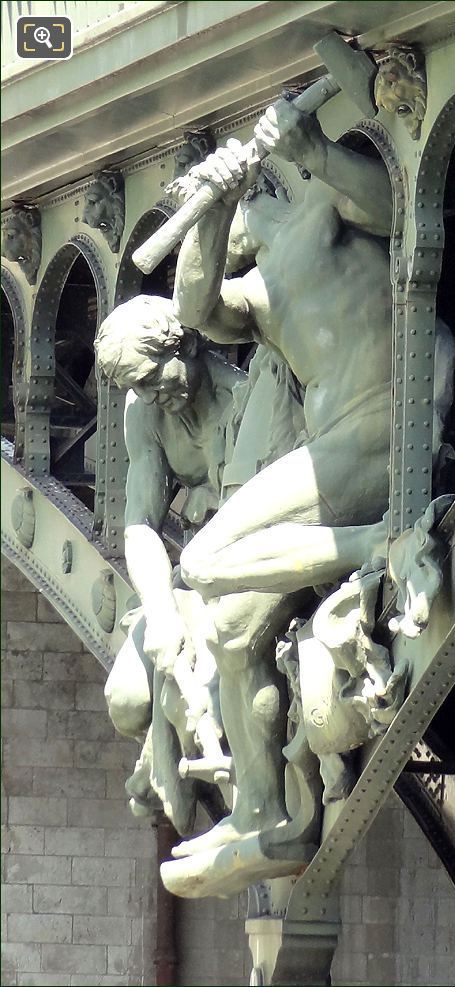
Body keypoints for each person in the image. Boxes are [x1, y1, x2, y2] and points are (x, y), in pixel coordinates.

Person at [154, 99, 398, 886]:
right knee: (228, 625)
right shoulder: (257, 292)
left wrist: (313, 149)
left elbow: (398, 205)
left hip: (385, 426)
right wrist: (208, 215)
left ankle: (369, 546)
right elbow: (196, 306)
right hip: (338, 449)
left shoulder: (322, 209)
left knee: (205, 560)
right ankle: (259, 810)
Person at [94, 294, 307, 833]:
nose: (149, 394)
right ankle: (162, 746)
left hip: (244, 581)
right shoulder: (145, 414)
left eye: (153, 377)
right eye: (137, 386)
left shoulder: (248, 403)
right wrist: (161, 614)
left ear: (187, 342)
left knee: (204, 706)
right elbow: (141, 524)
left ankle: (240, 800)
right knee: (124, 703)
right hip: (189, 587)